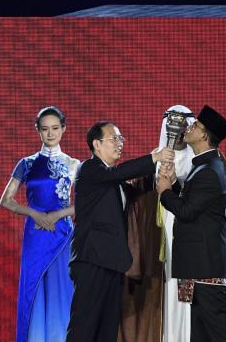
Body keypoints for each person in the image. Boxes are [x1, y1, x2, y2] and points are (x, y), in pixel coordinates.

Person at [66, 121, 174, 342]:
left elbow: (137, 191)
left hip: (112, 261)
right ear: (96, 144)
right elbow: (119, 173)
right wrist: (154, 157)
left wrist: (161, 175)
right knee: (84, 326)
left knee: (107, 329)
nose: (119, 143)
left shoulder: (116, 182)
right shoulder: (89, 169)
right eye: (113, 139)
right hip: (92, 259)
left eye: (120, 139)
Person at [156, 105, 226, 342]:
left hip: (205, 267)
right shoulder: (203, 166)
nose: (189, 128)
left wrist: (165, 192)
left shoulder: (209, 170)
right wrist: (175, 184)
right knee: (200, 332)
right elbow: (193, 203)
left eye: (196, 126)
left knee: (220, 331)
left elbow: (187, 211)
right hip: (197, 265)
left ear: (204, 136)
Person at [0, 106, 80, 342]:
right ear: (38, 130)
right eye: (45, 129)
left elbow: (85, 204)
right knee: (33, 289)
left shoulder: (74, 164)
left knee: (61, 289)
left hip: (62, 233)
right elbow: (6, 200)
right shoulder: (26, 163)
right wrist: (34, 214)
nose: (50, 133)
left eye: (55, 128)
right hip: (36, 235)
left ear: (63, 129)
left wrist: (57, 215)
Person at [118, 105, 196, 342]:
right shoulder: (152, 161)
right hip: (156, 238)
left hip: (190, 238)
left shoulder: (199, 160)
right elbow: (137, 198)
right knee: (161, 290)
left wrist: (177, 184)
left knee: (186, 295)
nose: (178, 133)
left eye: (183, 127)